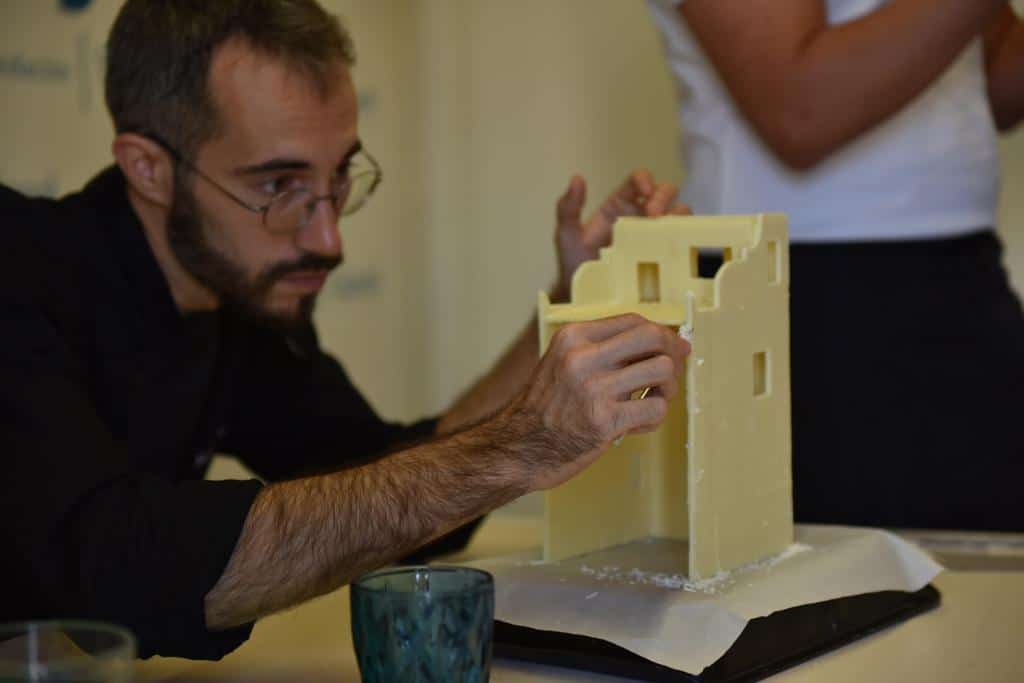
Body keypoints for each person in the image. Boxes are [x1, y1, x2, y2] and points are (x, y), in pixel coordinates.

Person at [0, 0, 692, 660]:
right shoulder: (23, 276)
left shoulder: (238, 297)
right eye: (278, 186)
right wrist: (519, 447)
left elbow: (389, 492)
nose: (329, 237)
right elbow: (119, 569)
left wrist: (567, 302)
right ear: (148, 168)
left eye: (338, 180)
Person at [646, 0, 1024, 530]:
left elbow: (990, 83)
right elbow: (800, 108)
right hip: (803, 301)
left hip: (960, 278)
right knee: (847, 593)